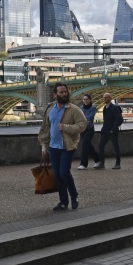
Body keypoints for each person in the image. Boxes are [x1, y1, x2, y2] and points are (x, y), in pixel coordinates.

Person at [38, 82, 87, 211]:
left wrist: (66, 127)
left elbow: (83, 125)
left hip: (67, 146)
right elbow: (45, 128)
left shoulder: (74, 109)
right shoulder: (50, 109)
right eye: (61, 92)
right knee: (58, 175)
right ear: (55, 95)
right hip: (53, 147)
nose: (64, 94)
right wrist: (44, 147)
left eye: (65, 92)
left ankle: (74, 196)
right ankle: (63, 202)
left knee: (64, 172)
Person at [95, 92, 122, 169]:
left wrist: (113, 129)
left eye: (106, 97)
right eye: (104, 97)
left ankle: (118, 163)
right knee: (101, 146)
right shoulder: (104, 108)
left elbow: (118, 119)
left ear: (110, 98)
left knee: (115, 146)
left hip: (112, 131)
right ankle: (102, 163)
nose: (104, 99)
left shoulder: (115, 108)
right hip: (105, 130)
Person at [76, 94, 100, 170]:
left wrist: (82, 118)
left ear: (90, 100)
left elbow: (90, 117)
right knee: (88, 146)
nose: (85, 101)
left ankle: (83, 164)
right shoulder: (81, 108)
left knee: (84, 144)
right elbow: (78, 117)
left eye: (86, 99)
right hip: (82, 129)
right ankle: (98, 160)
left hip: (90, 129)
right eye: (84, 99)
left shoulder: (93, 107)